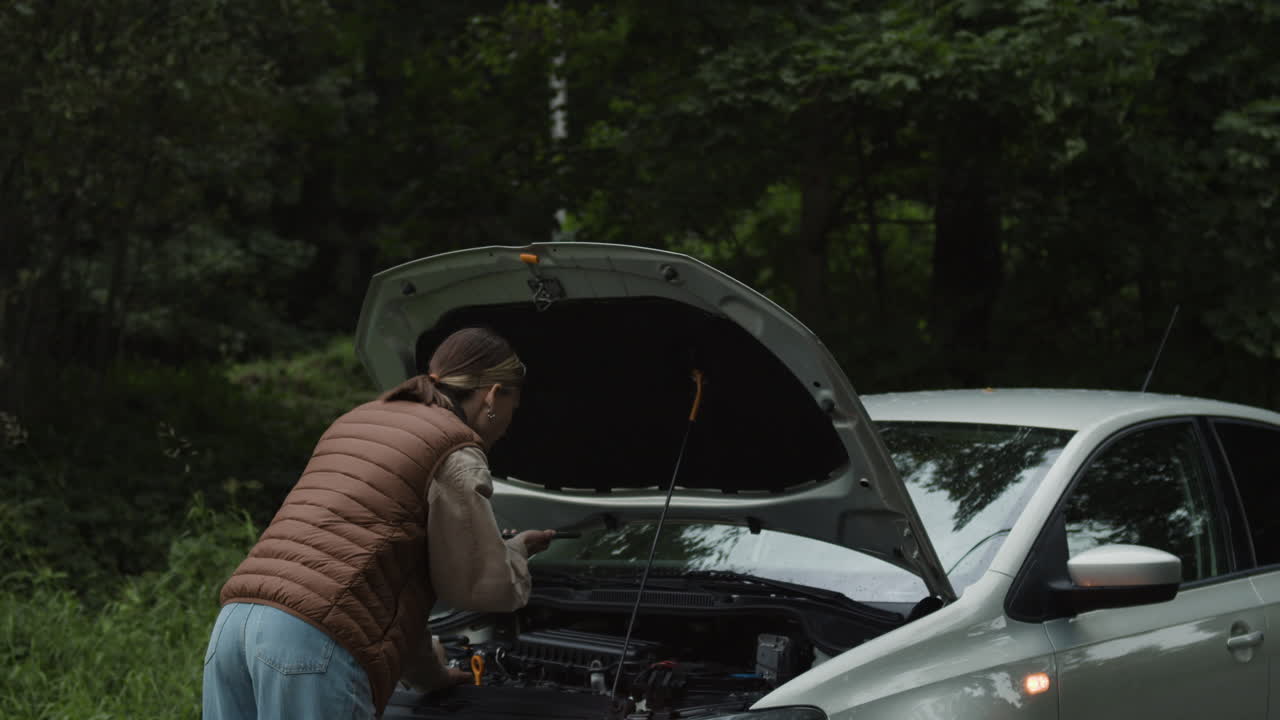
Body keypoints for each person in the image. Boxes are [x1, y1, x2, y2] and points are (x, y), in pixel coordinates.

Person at [203, 327, 555, 719]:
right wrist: (516, 552)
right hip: (313, 641)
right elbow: (481, 587)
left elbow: (393, 589)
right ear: (493, 394)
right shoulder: (454, 446)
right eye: (513, 406)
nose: (508, 423)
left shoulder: (359, 420)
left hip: (235, 627)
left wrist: (433, 677)